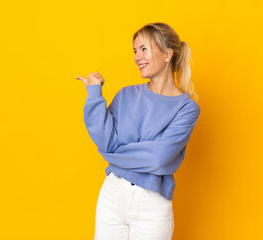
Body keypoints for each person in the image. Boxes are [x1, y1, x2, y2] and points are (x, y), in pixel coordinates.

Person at [76, 22, 200, 240]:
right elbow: (106, 141)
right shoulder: (126, 95)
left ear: (167, 54)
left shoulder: (186, 108)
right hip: (112, 194)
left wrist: (115, 156)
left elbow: (158, 159)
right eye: (135, 51)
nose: (136, 57)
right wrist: (94, 96)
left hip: (151, 204)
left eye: (144, 49)